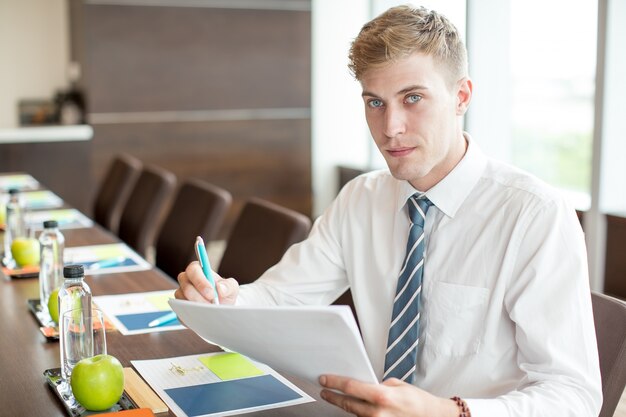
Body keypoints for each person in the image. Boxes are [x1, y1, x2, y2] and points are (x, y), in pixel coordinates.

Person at [175, 5, 602, 417]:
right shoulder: (361, 198)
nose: (390, 127)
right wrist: (225, 300)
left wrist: (448, 411)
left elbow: (574, 395)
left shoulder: (534, 215)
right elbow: (278, 297)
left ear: (461, 96)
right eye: (375, 102)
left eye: (412, 98)